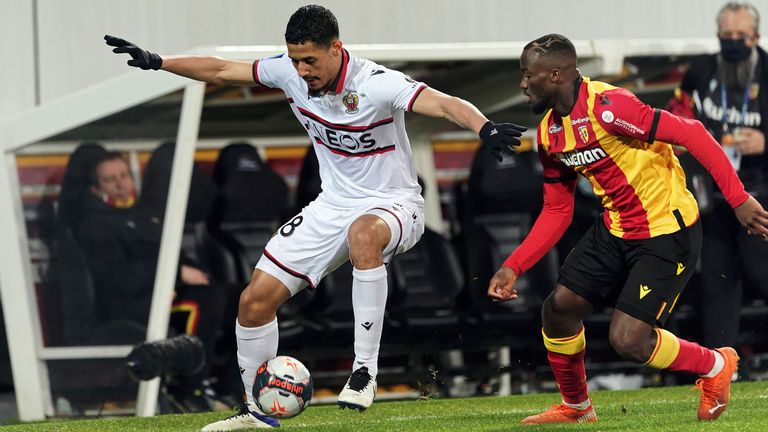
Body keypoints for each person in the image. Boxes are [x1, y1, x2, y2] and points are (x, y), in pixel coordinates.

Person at [106, 4, 525, 430]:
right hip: (331, 206)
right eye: (294, 60)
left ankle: (364, 372)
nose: (302, 70)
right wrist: (160, 62)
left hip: (394, 203)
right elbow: (219, 69)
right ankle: (256, 413)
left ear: (336, 48)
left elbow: (442, 102)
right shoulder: (289, 73)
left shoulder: (377, 83)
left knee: (364, 235)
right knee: (254, 302)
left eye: (310, 60)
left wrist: (485, 127)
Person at [487, 34, 768, 425]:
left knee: (628, 341)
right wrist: (514, 266)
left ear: (554, 75)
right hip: (616, 227)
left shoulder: (609, 107)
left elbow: (693, 133)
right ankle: (578, 409)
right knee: (559, 309)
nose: (522, 84)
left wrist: (738, 199)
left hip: (666, 232)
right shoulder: (550, 136)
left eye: (526, 75)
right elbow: (557, 209)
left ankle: (716, 363)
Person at [75, 150, 228, 412]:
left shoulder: (145, 214)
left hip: (164, 293)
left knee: (233, 295)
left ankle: (232, 385)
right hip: (126, 306)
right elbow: (118, 280)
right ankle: (190, 384)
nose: (121, 183)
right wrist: (174, 276)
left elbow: (177, 256)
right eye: (110, 179)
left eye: (123, 175)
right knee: (205, 303)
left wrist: (192, 274)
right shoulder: (94, 225)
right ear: (96, 187)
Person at [669, 2, 768, 351]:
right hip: (713, 193)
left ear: (756, 36)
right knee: (715, 281)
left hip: (759, 192)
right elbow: (677, 120)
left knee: (761, 273)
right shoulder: (701, 70)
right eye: (727, 36)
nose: (734, 42)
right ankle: (721, 367)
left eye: (742, 36)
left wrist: (765, 142)